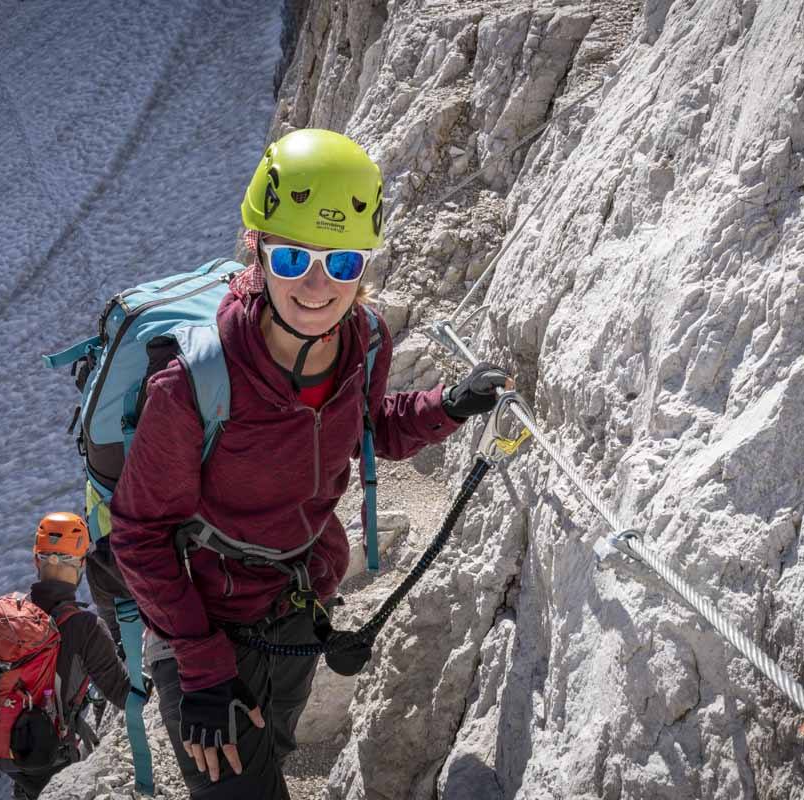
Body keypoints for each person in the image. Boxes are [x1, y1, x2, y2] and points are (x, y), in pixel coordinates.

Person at [108, 128, 508, 798]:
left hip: (294, 605)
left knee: (277, 746)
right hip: (198, 623)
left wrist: (449, 405)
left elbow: (371, 428)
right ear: (256, 249)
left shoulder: (366, 341)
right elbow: (138, 536)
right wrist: (203, 668)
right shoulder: (194, 383)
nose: (318, 287)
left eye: (343, 264)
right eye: (293, 259)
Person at [8, 512, 132, 800]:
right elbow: (123, 694)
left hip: (14, 752)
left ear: (36, 561)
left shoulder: (13, 616)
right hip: (56, 759)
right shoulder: (85, 627)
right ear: (82, 564)